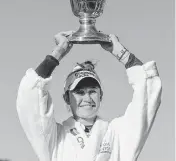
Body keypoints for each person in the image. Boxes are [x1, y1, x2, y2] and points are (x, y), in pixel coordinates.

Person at [16, 31, 162, 161]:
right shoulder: (54, 137)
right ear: (67, 98)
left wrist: (121, 53)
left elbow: (148, 93)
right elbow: (30, 95)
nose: (87, 98)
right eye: (79, 92)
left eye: (92, 91)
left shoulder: (117, 133)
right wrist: (58, 52)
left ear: (101, 96)